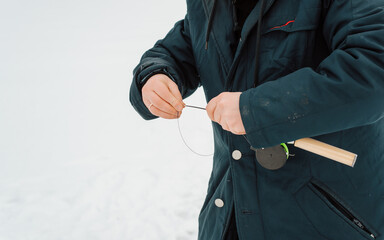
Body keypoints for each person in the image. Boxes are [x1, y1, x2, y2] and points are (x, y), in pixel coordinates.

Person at [130, 0, 384, 239]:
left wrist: (257, 110)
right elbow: (186, 40)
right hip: (230, 215)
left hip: (327, 218)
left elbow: (373, 68)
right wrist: (156, 73)